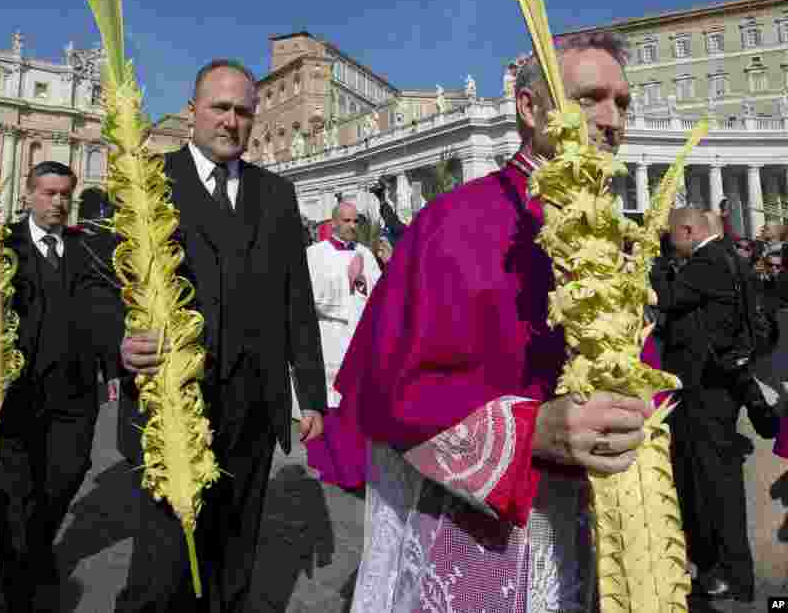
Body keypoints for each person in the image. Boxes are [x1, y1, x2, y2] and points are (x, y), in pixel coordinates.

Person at [308, 31, 652, 610]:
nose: (611, 118)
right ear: (529, 107)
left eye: (622, 102)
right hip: (488, 539)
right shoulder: (460, 220)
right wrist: (529, 430)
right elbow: (395, 390)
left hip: (604, 533)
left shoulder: (619, 236)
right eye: (590, 97)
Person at [116, 58, 326, 613]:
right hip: (174, 404)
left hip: (254, 404)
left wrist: (311, 394)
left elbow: (296, 300)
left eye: (243, 110)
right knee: (163, 564)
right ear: (192, 111)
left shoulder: (276, 194)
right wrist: (119, 341)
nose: (232, 121)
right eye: (220, 107)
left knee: (236, 552)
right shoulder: (150, 181)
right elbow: (107, 286)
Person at [0, 161, 125, 613]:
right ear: (28, 195)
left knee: (67, 475)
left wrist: (113, 366)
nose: (58, 202)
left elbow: (108, 312)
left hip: (74, 392)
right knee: (11, 491)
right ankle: (19, 577)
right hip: (10, 394)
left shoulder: (89, 248)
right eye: (48, 193)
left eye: (65, 194)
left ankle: (34, 549)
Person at [650, 206, 774, 602]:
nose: (670, 243)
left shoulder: (708, 262)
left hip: (706, 389)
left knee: (714, 485)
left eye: (672, 235)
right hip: (720, 384)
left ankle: (728, 575)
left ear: (687, 230)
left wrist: (651, 266)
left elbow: (665, 298)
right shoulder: (729, 257)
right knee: (713, 481)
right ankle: (727, 572)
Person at [304, 201, 381, 412]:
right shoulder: (314, 254)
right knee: (334, 407)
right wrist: (347, 280)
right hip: (332, 338)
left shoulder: (365, 253)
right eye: (347, 220)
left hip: (360, 337)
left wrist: (364, 282)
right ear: (334, 223)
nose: (352, 225)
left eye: (355, 221)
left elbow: (380, 295)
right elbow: (311, 297)